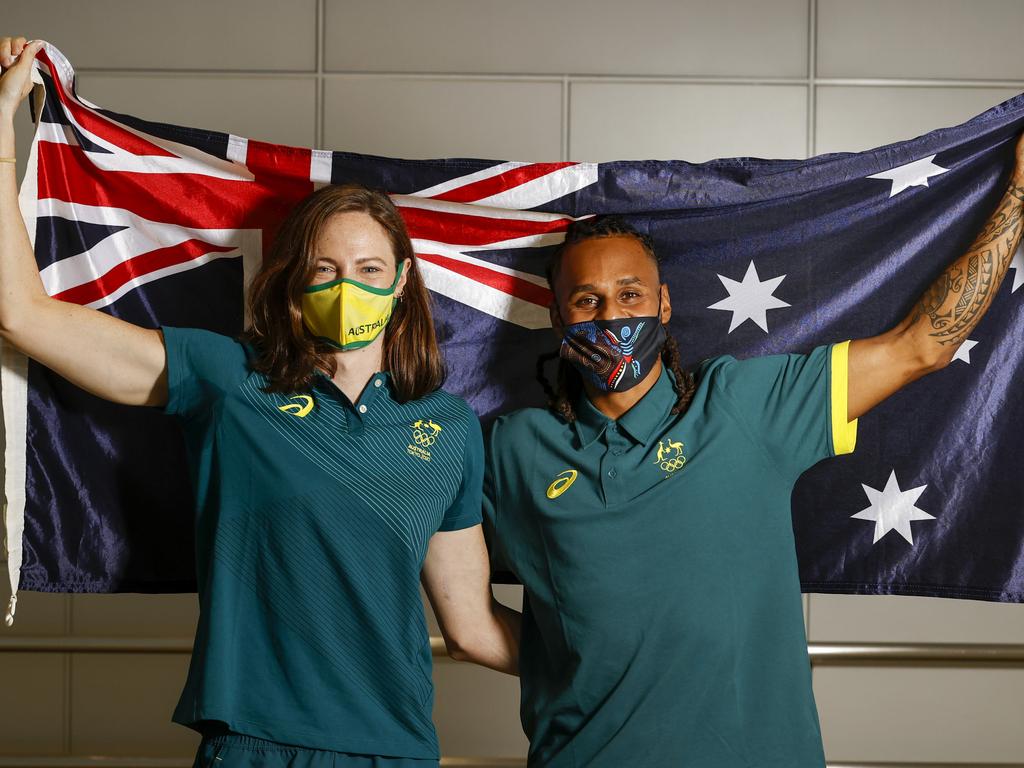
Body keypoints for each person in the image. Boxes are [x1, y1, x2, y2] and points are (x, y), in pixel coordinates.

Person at [0, 37, 520, 768]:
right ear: (291, 282)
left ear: (402, 282)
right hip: (255, 745)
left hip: (396, 749)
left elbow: (471, 626)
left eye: (370, 269)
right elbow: (23, 315)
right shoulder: (228, 378)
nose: (350, 288)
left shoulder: (449, 426)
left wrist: (611, 662)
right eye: (325, 269)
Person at [483, 140, 1024, 764]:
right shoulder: (512, 447)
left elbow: (922, 345)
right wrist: (577, 661)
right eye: (587, 301)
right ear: (557, 319)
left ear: (663, 305)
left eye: (631, 295)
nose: (611, 317)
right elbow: (462, 610)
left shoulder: (746, 404)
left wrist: (1017, 190)